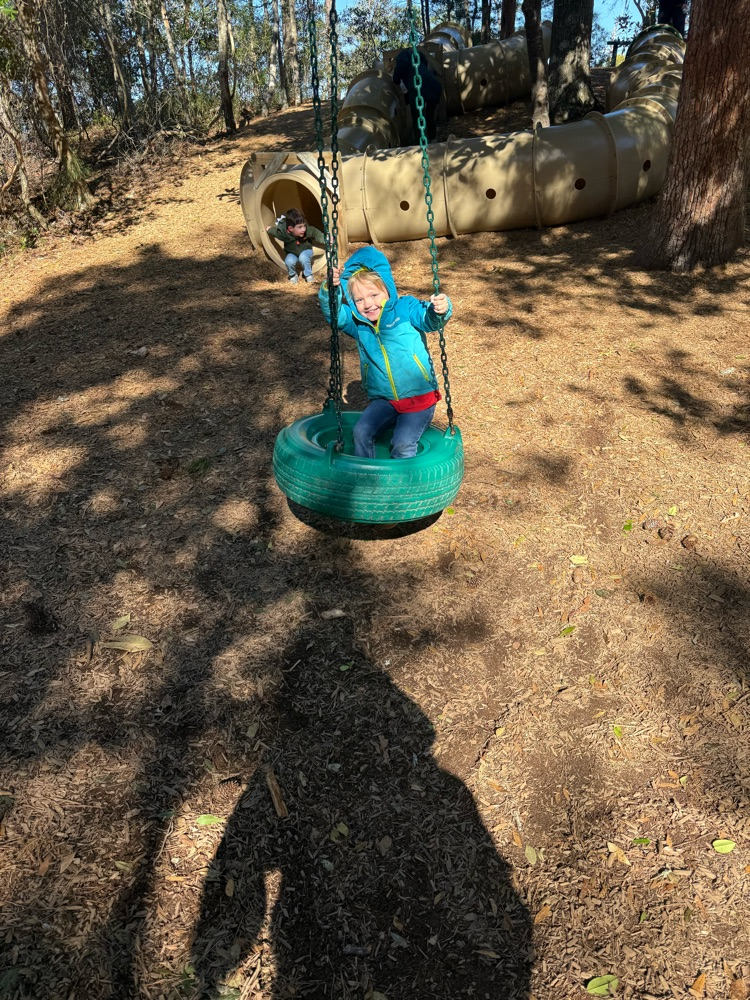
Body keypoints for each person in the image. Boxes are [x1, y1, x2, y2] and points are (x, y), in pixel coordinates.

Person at [319, 246, 452, 459]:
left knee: (402, 443)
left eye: (374, 294)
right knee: (361, 432)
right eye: (359, 300)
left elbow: (429, 320)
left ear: (387, 290)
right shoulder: (358, 324)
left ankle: (404, 487)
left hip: (419, 398)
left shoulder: (406, 308)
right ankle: (366, 477)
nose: (368, 304)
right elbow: (335, 315)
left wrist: (440, 309)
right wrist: (330, 289)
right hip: (384, 400)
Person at [392, 48, 442, 142]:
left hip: (417, 88)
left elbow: (395, 80)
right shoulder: (415, 53)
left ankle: (421, 143)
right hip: (434, 84)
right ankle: (433, 139)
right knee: (429, 115)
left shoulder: (401, 58)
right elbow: (425, 61)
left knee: (418, 118)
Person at [266, 207, 325, 284]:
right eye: (300, 227)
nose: (303, 229)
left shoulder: (306, 231)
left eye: (304, 225)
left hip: (306, 250)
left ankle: (308, 274)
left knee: (303, 257)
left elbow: (315, 233)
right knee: (288, 261)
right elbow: (275, 233)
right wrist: (269, 229)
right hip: (292, 252)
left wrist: (326, 239)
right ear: (290, 229)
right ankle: (293, 275)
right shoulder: (284, 233)